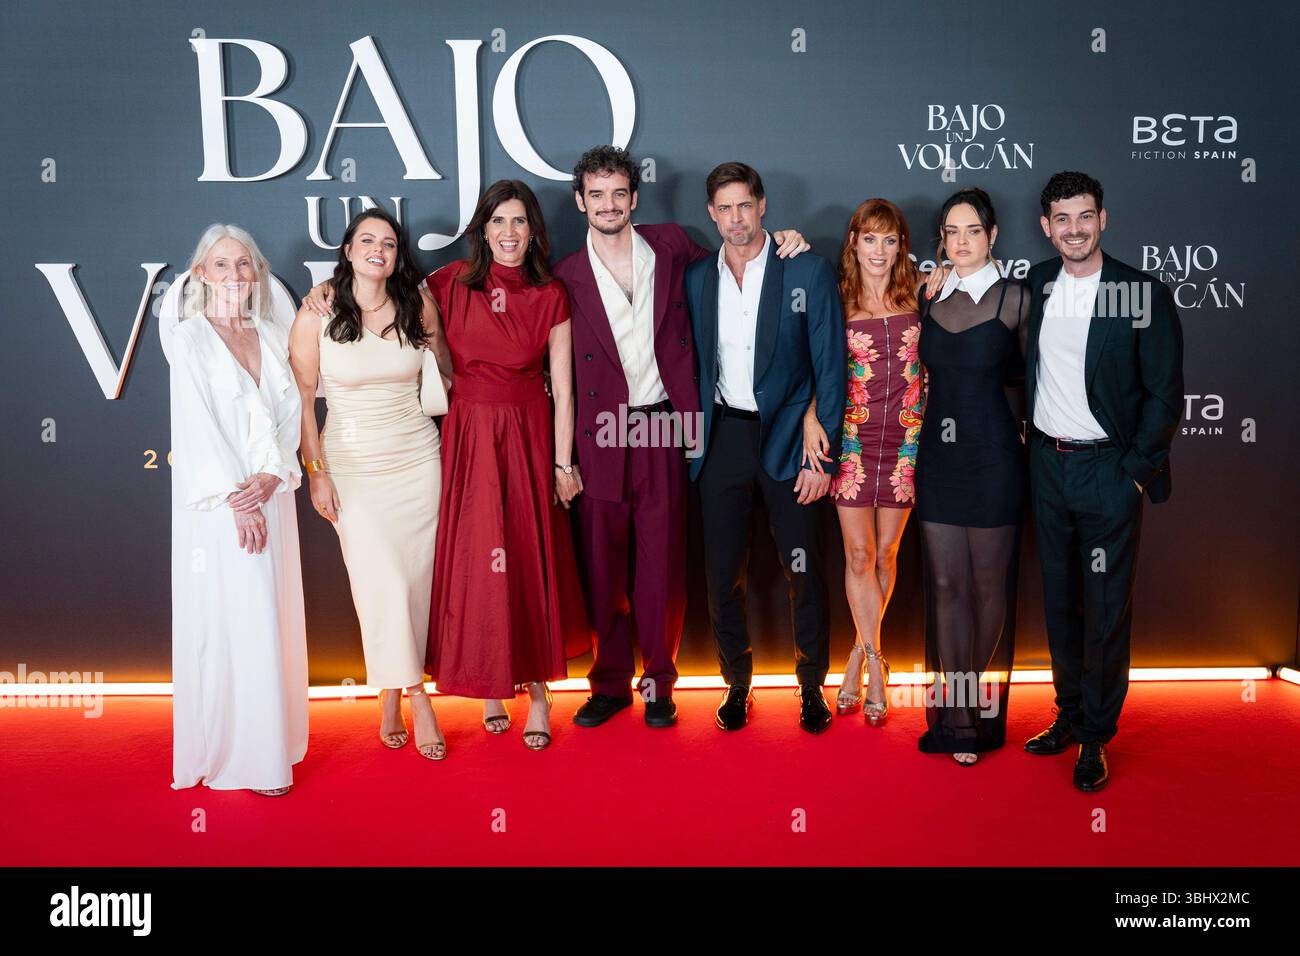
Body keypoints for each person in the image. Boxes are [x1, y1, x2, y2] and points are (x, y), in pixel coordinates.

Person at [553, 145, 809, 730]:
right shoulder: (564, 275)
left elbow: (742, 255)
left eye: (619, 192)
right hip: (599, 433)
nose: (609, 204)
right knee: (602, 564)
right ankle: (610, 683)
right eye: (597, 194)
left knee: (662, 567)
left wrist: (788, 240)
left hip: (666, 423)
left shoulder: (672, 245)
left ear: (634, 198)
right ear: (580, 202)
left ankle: (659, 685)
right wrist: (562, 459)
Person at [1022, 171, 1184, 791]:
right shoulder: (1035, 284)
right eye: (1062, 220)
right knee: (1060, 602)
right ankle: (1067, 714)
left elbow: (1164, 392)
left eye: (1084, 216)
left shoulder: (1138, 291)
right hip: (1047, 465)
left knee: (1106, 608)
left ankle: (1095, 736)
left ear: (1103, 219)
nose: (1074, 229)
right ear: (1046, 227)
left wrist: (1134, 475)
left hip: (1107, 471)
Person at [423, 179, 590, 750]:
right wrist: (325, 295)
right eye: (499, 222)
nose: (510, 233)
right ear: (483, 229)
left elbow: (564, 391)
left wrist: (562, 465)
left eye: (519, 222)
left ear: (532, 230)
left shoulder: (550, 295)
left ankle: (539, 690)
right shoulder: (445, 285)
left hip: (528, 433)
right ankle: (493, 686)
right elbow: (379, 296)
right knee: (480, 557)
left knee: (524, 551)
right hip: (469, 434)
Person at [684, 162, 847, 734]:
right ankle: (736, 684)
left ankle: (811, 687)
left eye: (744, 206)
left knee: (804, 569)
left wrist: (821, 452)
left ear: (763, 206)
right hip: (723, 437)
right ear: (711, 214)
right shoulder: (698, 278)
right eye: (724, 208)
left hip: (790, 437)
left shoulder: (804, 269)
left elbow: (830, 367)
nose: (735, 219)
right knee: (723, 570)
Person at [292, 208, 450, 761]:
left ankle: (388, 693)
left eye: (388, 241)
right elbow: (302, 404)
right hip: (354, 466)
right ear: (349, 249)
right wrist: (317, 475)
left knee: (413, 584)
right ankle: (417, 695)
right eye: (367, 240)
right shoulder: (317, 312)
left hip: (418, 460)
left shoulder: (417, 303)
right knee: (378, 582)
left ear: (397, 252)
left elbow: (446, 375)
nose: (378, 249)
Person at [164, 223, 308, 795]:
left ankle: (273, 744)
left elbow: (289, 413)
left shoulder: (274, 333)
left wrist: (275, 476)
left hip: (272, 497)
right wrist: (236, 499)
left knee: (270, 617)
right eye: (221, 265)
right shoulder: (188, 337)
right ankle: (245, 758)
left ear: (257, 272)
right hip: (220, 510)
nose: (235, 275)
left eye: (244, 264)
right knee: (234, 621)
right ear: (201, 274)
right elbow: (196, 425)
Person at [914, 187, 1030, 766]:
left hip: (995, 460)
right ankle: (955, 718)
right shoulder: (927, 294)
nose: (960, 242)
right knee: (944, 588)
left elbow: (1041, 383)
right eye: (951, 232)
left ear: (993, 236)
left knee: (987, 589)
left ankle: (981, 708)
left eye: (972, 231)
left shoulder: (1017, 298)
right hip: (939, 459)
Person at [802, 198, 928, 726]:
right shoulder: (836, 297)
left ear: (902, 245)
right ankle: (877, 664)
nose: (880, 249)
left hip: (905, 440)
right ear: (853, 241)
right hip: (852, 440)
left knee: (885, 556)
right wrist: (811, 416)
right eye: (869, 238)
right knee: (858, 554)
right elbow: (818, 368)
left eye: (890, 239)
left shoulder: (923, 291)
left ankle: (858, 652)